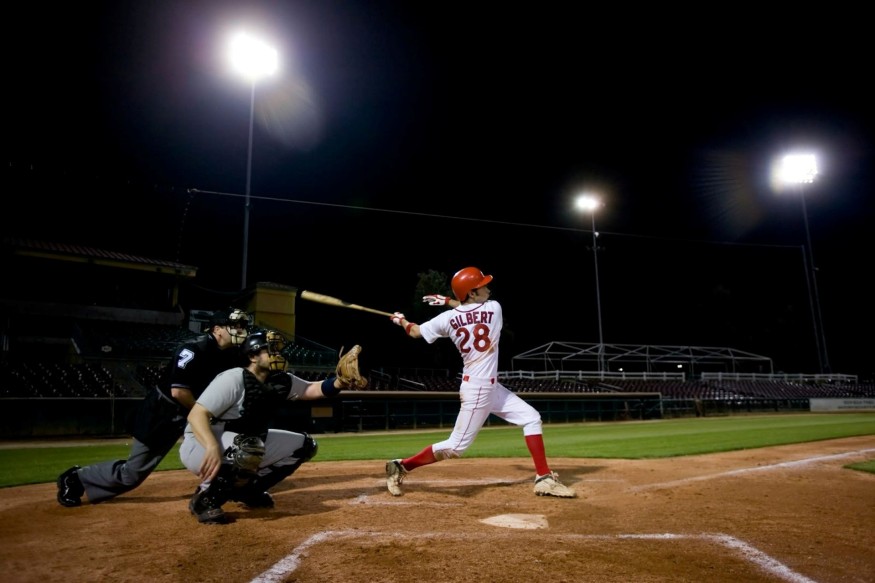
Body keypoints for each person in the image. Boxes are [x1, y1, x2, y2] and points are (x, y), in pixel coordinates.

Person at [385, 266, 576, 498]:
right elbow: (468, 309)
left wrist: (401, 321)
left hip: (488, 386)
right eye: (481, 286)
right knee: (455, 447)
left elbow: (416, 332)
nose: (488, 288)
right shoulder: (495, 309)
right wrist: (448, 300)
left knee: (531, 418)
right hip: (478, 389)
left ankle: (544, 477)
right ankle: (401, 465)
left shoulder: (448, 319)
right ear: (472, 294)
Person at [56, 308, 251, 507]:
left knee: (227, 449)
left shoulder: (230, 355)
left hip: (191, 414)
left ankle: (235, 489)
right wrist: (205, 414)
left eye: (243, 326)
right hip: (163, 413)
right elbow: (179, 392)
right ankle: (76, 478)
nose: (241, 330)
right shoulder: (193, 349)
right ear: (217, 329)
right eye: (234, 326)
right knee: (132, 474)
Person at [179, 329, 363, 524]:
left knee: (305, 445)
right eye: (270, 350)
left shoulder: (280, 381)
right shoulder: (234, 378)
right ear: (252, 356)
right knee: (249, 448)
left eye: (278, 350)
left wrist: (339, 382)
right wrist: (211, 446)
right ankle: (205, 498)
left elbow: (312, 389)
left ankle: (248, 491)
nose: (278, 354)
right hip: (200, 444)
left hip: (244, 444)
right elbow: (196, 415)